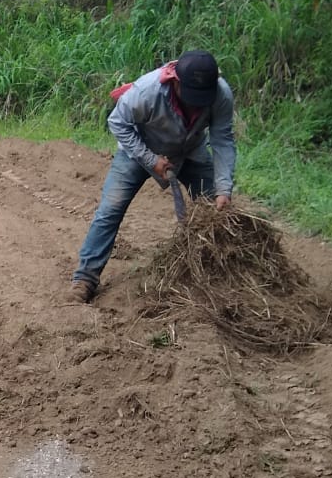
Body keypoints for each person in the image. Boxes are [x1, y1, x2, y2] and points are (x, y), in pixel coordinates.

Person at [68, 49, 235, 304]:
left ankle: (219, 278)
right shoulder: (147, 91)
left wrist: (223, 189)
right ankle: (85, 278)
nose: (197, 104)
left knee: (215, 210)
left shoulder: (220, 94)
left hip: (189, 150)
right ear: (176, 81)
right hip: (138, 149)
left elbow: (222, 139)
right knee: (110, 210)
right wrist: (150, 159)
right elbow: (118, 122)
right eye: (192, 97)